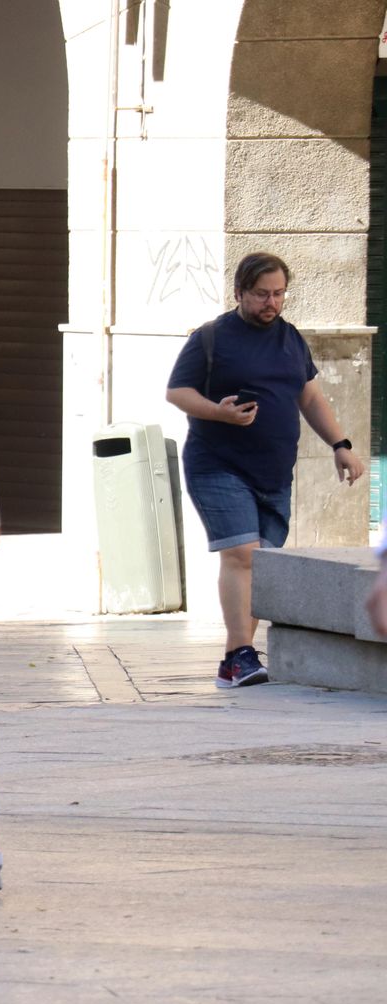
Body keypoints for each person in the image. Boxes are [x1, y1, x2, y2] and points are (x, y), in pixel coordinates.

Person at [166, 252, 365, 688]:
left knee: (261, 565)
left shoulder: (291, 339)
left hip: (274, 473)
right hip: (217, 465)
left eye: (278, 293)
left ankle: (235, 661)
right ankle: (241, 654)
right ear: (239, 292)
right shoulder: (211, 338)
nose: (271, 302)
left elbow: (310, 398)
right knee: (243, 556)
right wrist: (218, 412)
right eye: (261, 294)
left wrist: (341, 445)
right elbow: (177, 392)